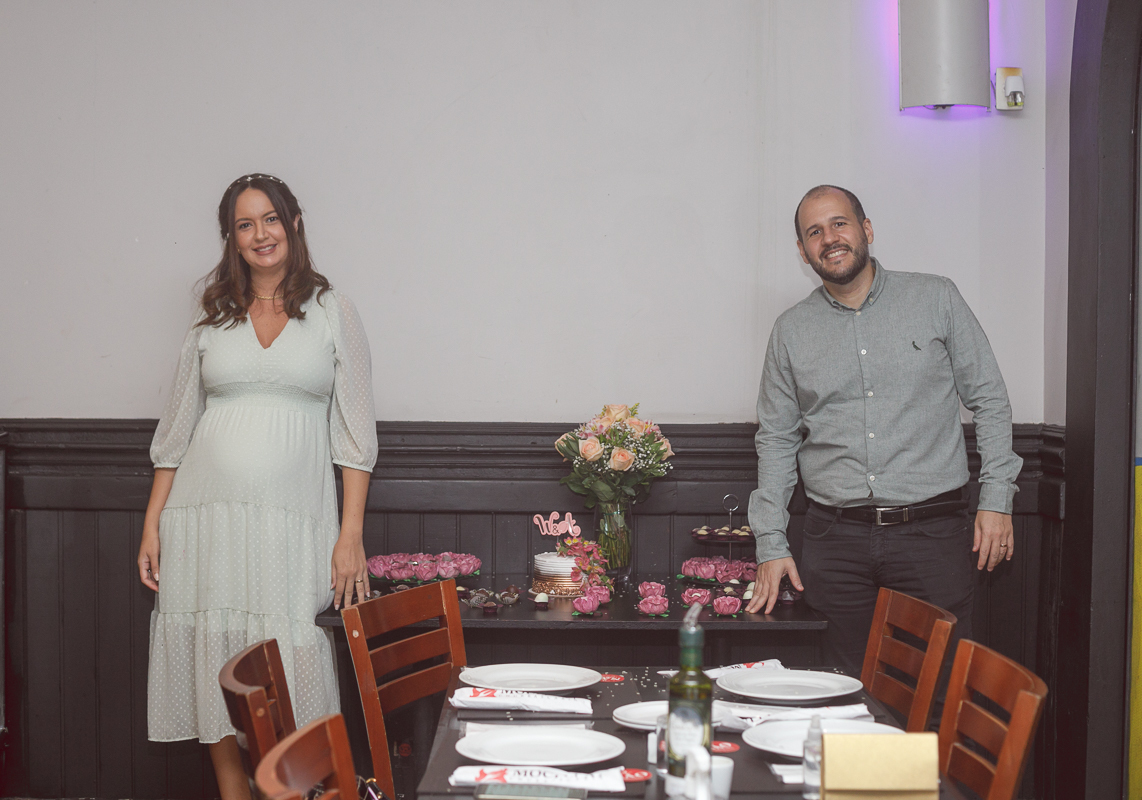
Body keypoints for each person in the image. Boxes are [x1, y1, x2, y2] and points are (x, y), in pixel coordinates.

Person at [136, 174, 378, 800]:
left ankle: (285, 793)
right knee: (211, 658)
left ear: (294, 223)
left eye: (270, 219)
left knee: (286, 658)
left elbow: (355, 438)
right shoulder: (211, 315)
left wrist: (350, 535)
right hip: (202, 517)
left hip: (293, 521)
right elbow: (178, 426)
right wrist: (152, 523)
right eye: (245, 224)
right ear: (231, 238)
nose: (260, 234)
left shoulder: (333, 312)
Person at [744, 185, 1022, 678]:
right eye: (814, 232)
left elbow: (991, 401)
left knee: (938, 695)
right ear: (803, 252)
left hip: (933, 537)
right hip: (835, 543)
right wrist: (771, 541)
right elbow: (777, 439)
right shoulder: (790, 331)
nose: (829, 238)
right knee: (844, 697)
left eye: (839, 223)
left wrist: (997, 499)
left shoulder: (936, 297)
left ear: (866, 230)